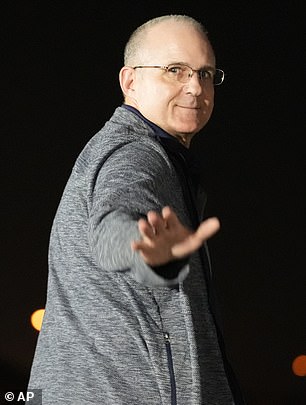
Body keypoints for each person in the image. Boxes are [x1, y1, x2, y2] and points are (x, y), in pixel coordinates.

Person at [28, 14, 244, 404]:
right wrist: (148, 253)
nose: (195, 86)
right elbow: (112, 230)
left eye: (206, 73)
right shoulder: (136, 153)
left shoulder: (154, 156)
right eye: (175, 70)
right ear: (130, 81)